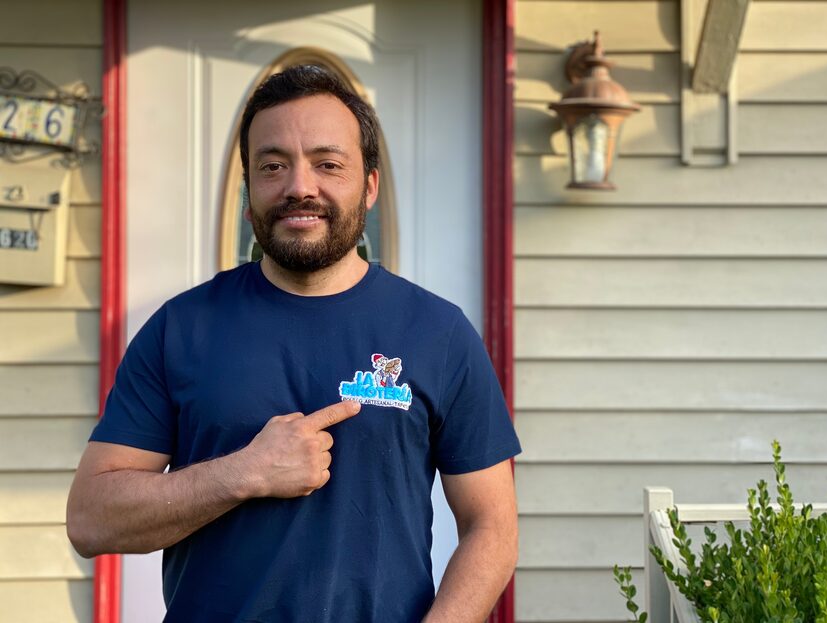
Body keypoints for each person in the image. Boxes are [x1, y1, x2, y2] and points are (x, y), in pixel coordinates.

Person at [67, 65, 521, 623]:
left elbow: (492, 529)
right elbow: (91, 519)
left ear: (370, 185)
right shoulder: (180, 329)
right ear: (248, 190)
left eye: (328, 164)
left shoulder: (439, 333)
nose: (299, 186)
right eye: (273, 165)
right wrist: (243, 473)